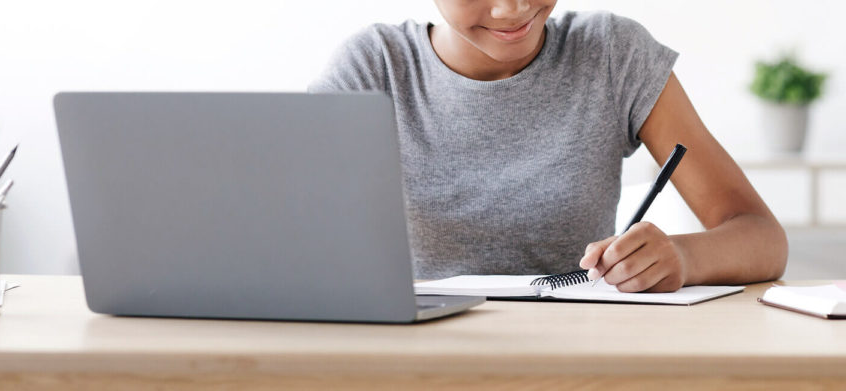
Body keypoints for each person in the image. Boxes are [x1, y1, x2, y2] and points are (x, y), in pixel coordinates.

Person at [308, 0, 787, 292]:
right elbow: (284, 235)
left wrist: (684, 258)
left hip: (579, 357)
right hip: (416, 356)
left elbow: (762, 237)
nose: (512, 9)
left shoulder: (613, 54)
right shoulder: (373, 68)